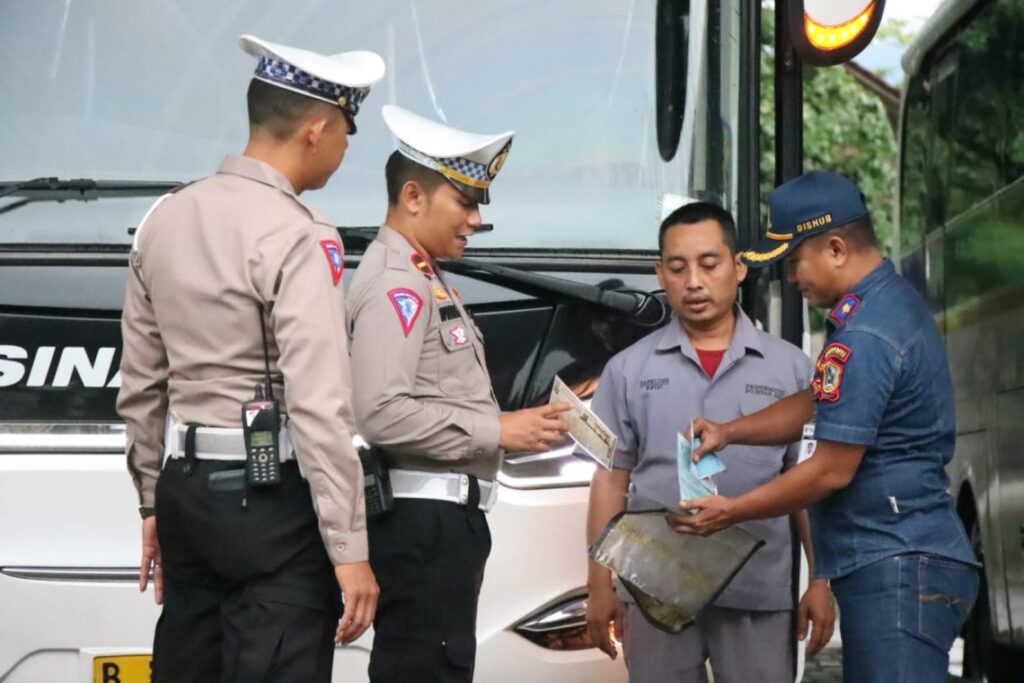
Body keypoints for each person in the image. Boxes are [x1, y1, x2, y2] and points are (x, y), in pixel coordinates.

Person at [117, 35, 384, 682]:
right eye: (348, 132)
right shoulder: (299, 233)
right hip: (270, 508)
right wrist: (350, 552)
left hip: (185, 495)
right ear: (316, 130)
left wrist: (152, 502)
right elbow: (319, 404)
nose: (347, 150)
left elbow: (142, 386)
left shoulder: (163, 219)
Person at [670, 171, 980, 682]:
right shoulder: (882, 308)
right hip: (896, 557)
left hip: (896, 563)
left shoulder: (868, 334)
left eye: (795, 260)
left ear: (836, 248)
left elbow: (831, 471)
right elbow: (818, 400)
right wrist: (730, 431)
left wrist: (731, 512)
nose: (793, 277)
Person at [346, 105, 570, 682]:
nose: (474, 220)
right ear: (414, 196)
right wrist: (499, 430)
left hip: (441, 525)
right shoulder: (398, 283)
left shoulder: (423, 275)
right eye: (465, 202)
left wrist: (526, 422)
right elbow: (380, 412)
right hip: (423, 526)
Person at [583, 202, 834, 682]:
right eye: (677, 268)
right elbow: (610, 478)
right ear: (660, 273)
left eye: (709, 264)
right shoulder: (628, 370)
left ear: (739, 267)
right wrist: (599, 583)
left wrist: (820, 579)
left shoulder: (793, 370)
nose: (693, 281)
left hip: (758, 589)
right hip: (655, 589)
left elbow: (807, 482)